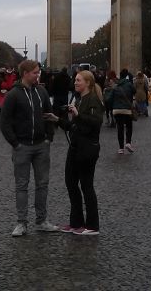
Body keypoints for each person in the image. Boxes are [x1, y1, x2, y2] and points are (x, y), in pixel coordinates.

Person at [0, 59, 59, 237]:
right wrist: (15, 143)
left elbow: (49, 114)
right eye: (35, 72)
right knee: (22, 186)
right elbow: (5, 121)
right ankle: (21, 223)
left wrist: (49, 137)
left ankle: (41, 221)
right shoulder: (13, 95)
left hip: (41, 145)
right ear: (25, 73)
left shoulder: (42, 91)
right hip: (22, 146)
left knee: (42, 184)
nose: (38, 75)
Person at [57, 68, 103, 235]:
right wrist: (58, 120)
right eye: (75, 80)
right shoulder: (78, 99)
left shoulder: (93, 99)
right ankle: (76, 223)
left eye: (78, 80)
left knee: (86, 186)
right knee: (70, 183)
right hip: (75, 146)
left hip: (87, 149)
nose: (75, 82)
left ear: (88, 83)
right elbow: (75, 127)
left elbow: (96, 123)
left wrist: (78, 114)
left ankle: (92, 226)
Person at [108, 71, 136, 154]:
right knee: (129, 126)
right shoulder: (129, 84)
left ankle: (121, 148)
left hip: (117, 110)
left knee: (120, 128)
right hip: (127, 109)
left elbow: (110, 99)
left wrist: (112, 107)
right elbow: (134, 91)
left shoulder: (116, 86)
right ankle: (128, 142)